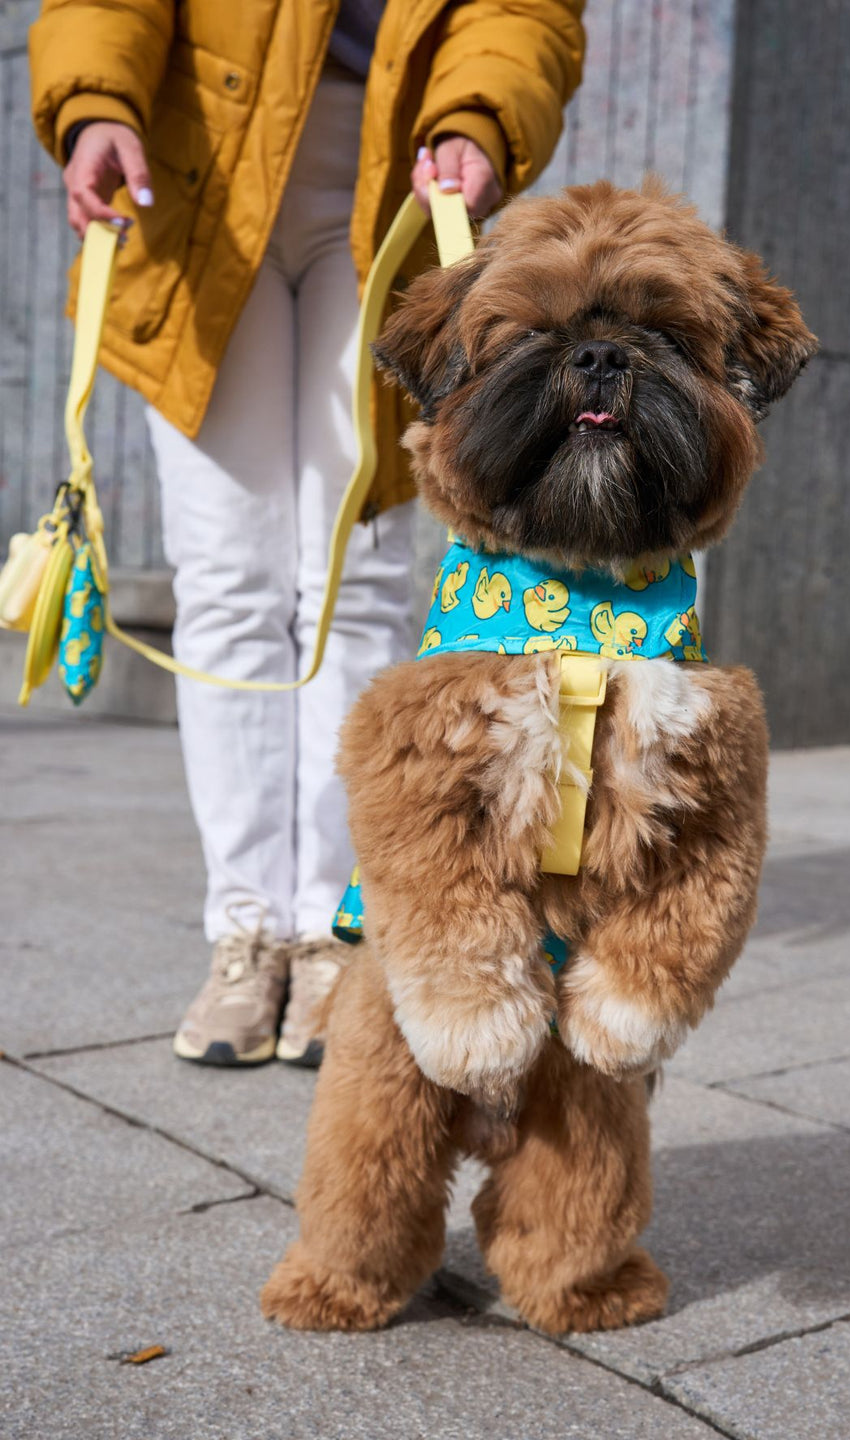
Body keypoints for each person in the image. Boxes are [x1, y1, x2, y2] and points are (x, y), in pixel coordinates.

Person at [28, 0, 585, 1067]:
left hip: (395, 179)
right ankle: (246, 930)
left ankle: (341, 928)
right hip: (194, 174)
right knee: (229, 578)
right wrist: (96, 95)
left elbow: (520, 10)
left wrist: (482, 110)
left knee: (358, 575)